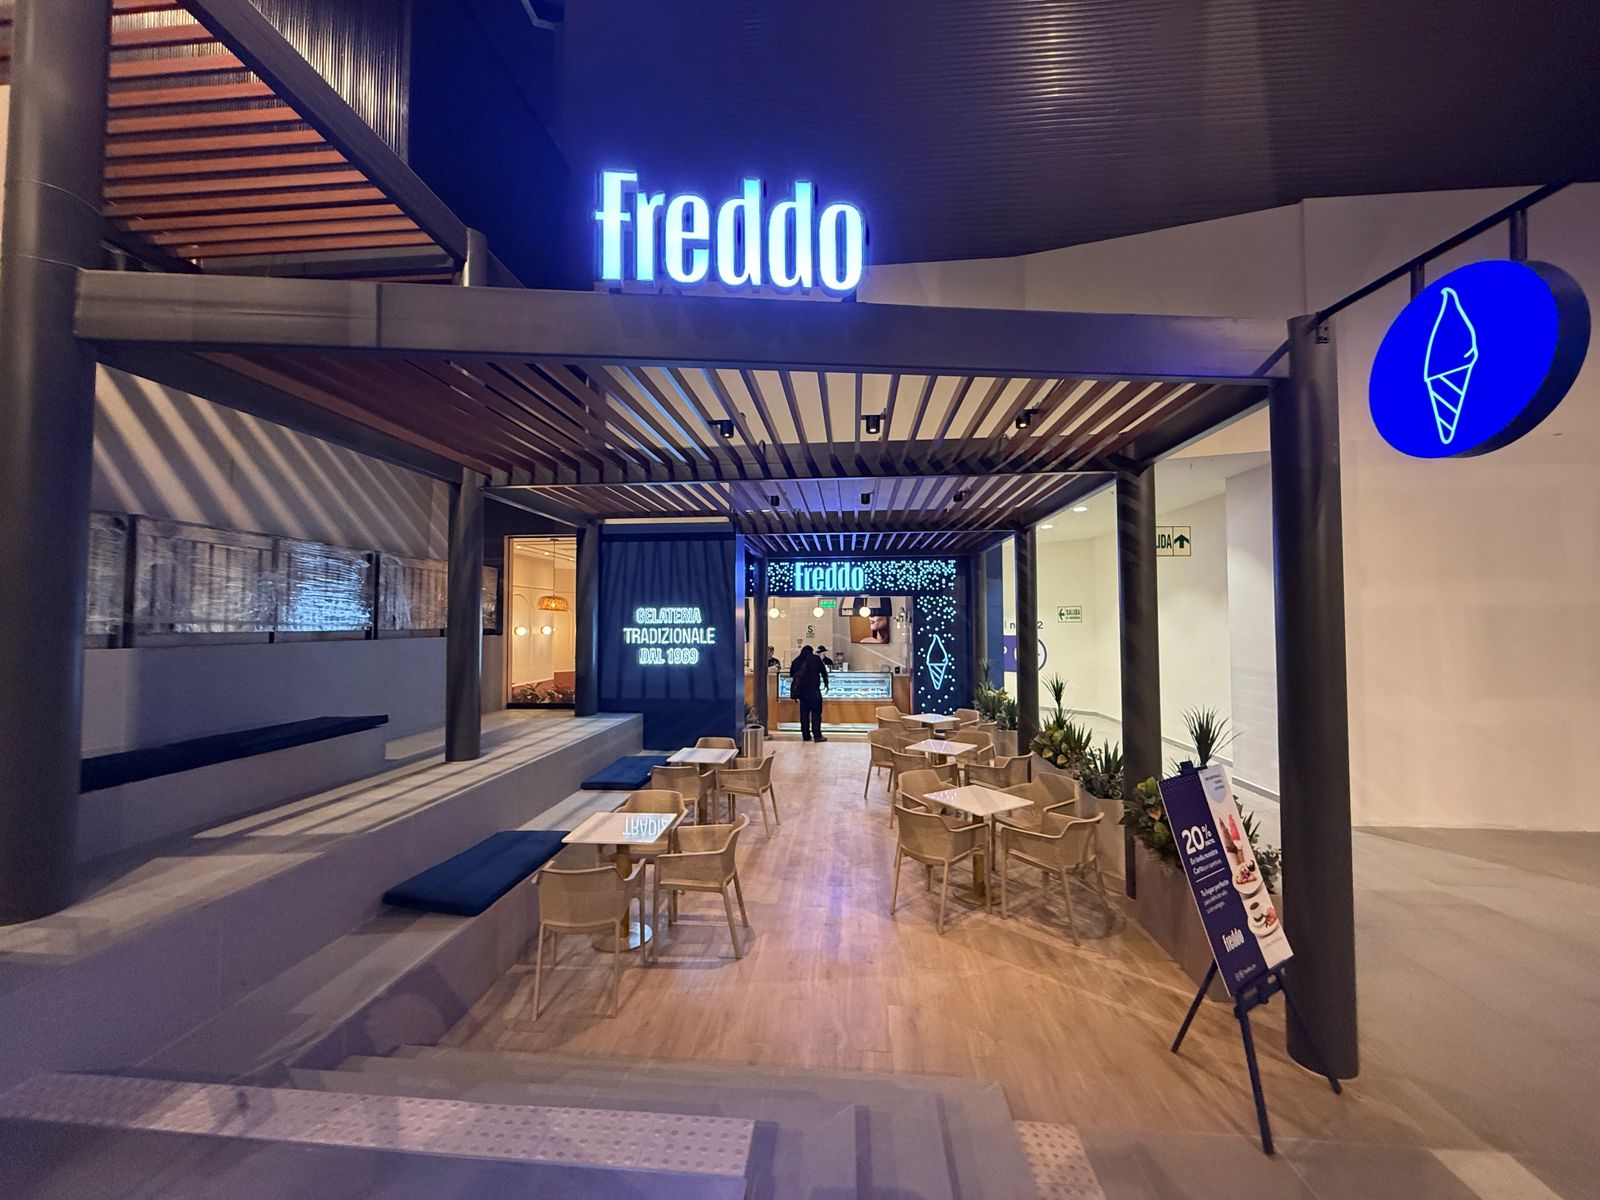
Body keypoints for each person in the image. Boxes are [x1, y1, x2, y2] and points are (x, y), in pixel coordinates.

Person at [789, 644, 829, 742]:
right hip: (814, 690)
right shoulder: (816, 659)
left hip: (802, 692)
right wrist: (826, 684)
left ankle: (805, 735)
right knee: (816, 713)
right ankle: (817, 735)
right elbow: (823, 672)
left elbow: (791, 674)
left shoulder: (796, 661)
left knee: (804, 714)